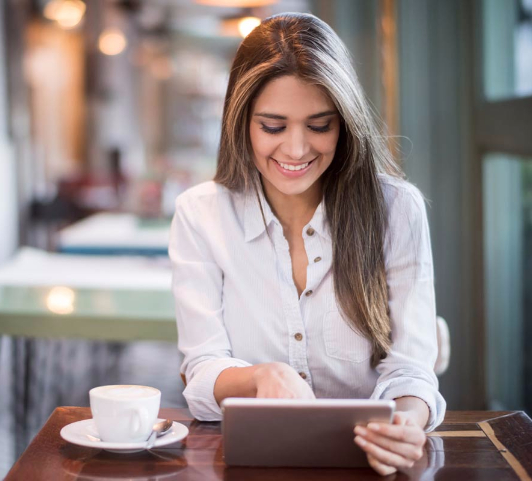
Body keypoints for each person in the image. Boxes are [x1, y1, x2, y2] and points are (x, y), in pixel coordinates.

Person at [170, 13, 445, 476]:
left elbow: (411, 370)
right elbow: (202, 368)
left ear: (345, 122)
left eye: (320, 125)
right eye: (273, 127)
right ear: (241, 123)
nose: (296, 150)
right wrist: (259, 377)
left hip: (366, 466)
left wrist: (405, 424)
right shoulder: (201, 215)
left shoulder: (397, 210)